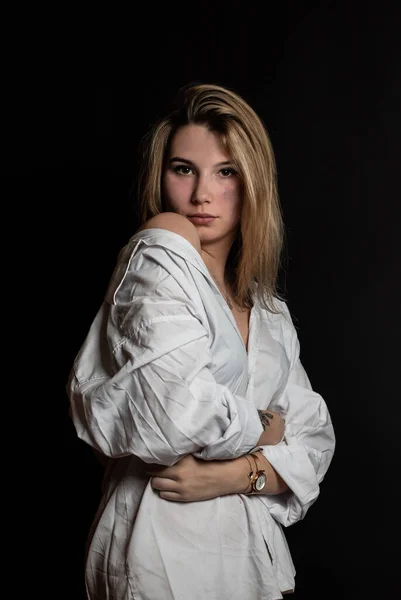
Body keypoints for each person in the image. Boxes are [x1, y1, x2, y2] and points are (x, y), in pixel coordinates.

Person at [67, 82, 336, 600]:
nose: (200, 195)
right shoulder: (156, 264)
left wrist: (233, 476)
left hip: (251, 562)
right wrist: (267, 428)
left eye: (226, 172)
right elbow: (173, 418)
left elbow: (316, 441)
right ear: (161, 176)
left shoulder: (271, 314)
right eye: (183, 169)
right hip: (161, 551)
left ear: (253, 182)